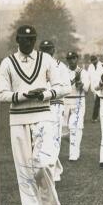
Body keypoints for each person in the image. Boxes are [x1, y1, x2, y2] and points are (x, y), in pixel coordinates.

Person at [0, 25, 69, 205]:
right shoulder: (7, 63)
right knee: (24, 169)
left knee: (44, 163)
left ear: (35, 40)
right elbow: (1, 94)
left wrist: (45, 94)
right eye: (23, 39)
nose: (27, 43)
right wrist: (23, 96)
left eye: (31, 39)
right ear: (17, 40)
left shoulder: (46, 60)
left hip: (43, 116)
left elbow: (64, 87)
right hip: (18, 119)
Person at [38, 40, 70, 181]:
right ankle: (53, 167)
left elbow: (67, 88)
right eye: (43, 49)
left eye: (48, 49)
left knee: (55, 138)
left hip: (55, 105)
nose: (46, 52)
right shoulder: (36, 66)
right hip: (39, 105)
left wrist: (51, 93)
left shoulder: (60, 66)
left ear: (53, 50)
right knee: (42, 138)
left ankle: (53, 172)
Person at [63, 51, 90, 161]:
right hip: (65, 101)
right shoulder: (63, 72)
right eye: (69, 59)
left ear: (77, 59)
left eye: (73, 58)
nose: (71, 61)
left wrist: (80, 83)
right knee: (63, 130)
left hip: (78, 101)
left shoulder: (82, 72)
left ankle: (74, 155)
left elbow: (87, 89)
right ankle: (75, 142)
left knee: (75, 127)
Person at [88, 55, 103, 122]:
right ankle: (97, 117)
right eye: (92, 60)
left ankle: (94, 117)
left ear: (97, 59)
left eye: (94, 60)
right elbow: (88, 76)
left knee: (98, 103)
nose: (93, 61)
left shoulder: (102, 65)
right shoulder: (90, 67)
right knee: (97, 103)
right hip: (94, 87)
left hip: (101, 86)